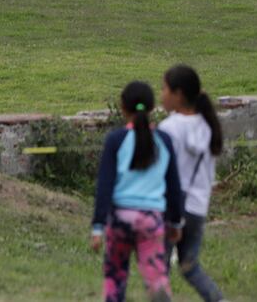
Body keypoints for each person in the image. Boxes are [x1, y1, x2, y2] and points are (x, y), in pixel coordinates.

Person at [92, 80, 185, 302]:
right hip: (151, 219)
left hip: (121, 218)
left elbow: (105, 185)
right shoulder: (164, 140)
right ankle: (158, 288)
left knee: (115, 277)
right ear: (153, 108)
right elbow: (174, 186)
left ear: (122, 108)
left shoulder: (116, 140)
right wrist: (175, 222)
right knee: (156, 276)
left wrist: (97, 226)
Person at [159, 64, 225, 302]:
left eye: (164, 89)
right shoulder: (208, 126)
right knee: (189, 267)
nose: (161, 94)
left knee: (159, 272)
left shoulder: (169, 128)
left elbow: (163, 172)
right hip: (198, 207)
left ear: (178, 94)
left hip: (171, 207)